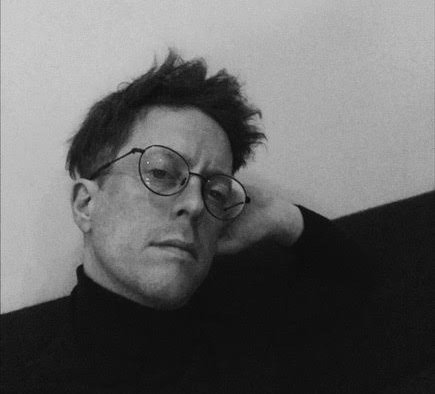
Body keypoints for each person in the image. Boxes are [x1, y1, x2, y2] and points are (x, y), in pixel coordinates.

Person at [1, 51, 372, 393]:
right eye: (161, 173)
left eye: (215, 191)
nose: (195, 204)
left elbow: (357, 288)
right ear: (86, 205)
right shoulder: (32, 376)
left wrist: (280, 216)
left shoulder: (250, 330)